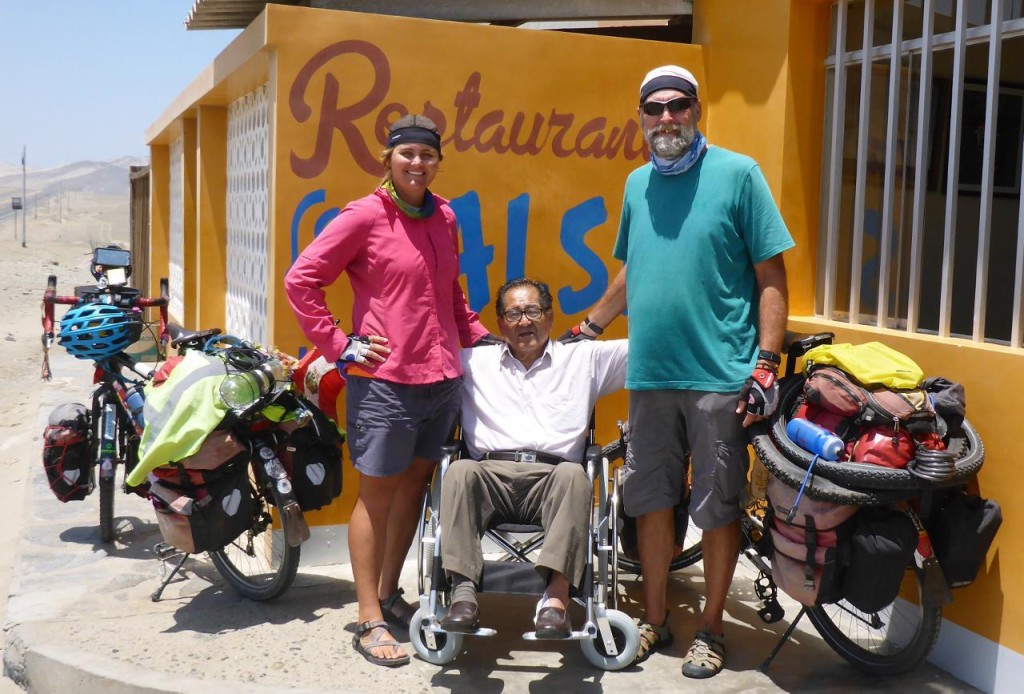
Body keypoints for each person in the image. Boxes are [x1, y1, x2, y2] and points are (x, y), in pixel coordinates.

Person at [562, 65, 793, 678]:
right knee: (650, 501)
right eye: (655, 108)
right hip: (651, 375)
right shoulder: (636, 184)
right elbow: (632, 272)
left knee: (717, 506)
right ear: (640, 117)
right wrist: (590, 326)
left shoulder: (739, 175)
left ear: (697, 110)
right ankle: (655, 620)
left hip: (721, 374)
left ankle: (711, 630)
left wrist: (765, 361)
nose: (667, 117)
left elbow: (771, 276)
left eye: (679, 105)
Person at [284, 114, 493, 667]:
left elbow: (450, 296)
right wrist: (338, 345)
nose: (417, 164)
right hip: (385, 384)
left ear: (438, 162)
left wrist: (482, 339)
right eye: (408, 155)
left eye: (427, 155)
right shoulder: (363, 216)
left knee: (413, 491)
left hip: (441, 380)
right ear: (389, 159)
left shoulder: (445, 216)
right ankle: (367, 618)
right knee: (376, 497)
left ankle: (387, 593)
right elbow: (301, 280)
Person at [438, 277, 627, 638]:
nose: (524, 321)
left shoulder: (583, 358)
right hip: (489, 475)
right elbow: (419, 357)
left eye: (532, 311)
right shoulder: (471, 362)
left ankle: (555, 600)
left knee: (576, 475)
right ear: (499, 324)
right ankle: (462, 595)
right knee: (459, 470)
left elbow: (650, 347)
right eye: (513, 314)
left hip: (553, 479)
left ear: (550, 316)